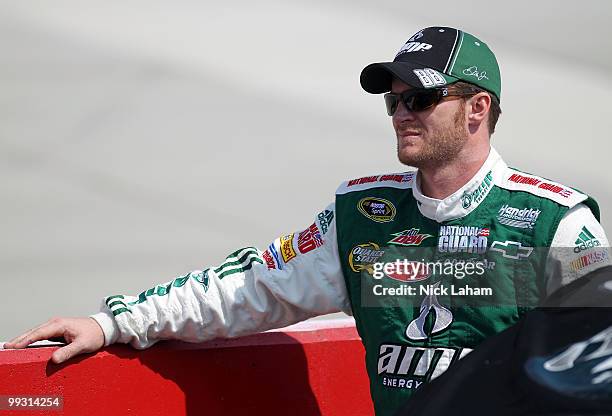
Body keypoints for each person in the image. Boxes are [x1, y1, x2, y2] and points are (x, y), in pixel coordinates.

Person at [6, 26, 611, 416]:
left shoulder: (555, 222)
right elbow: (249, 287)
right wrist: (112, 323)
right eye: (393, 100)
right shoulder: (362, 214)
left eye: (421, 99)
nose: (401, 112)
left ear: (478, 107)